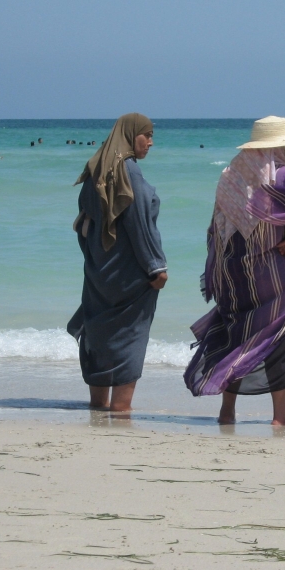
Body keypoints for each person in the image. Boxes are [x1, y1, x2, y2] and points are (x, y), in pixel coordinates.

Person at [184, 116, 285, 426]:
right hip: (277, 276)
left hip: (235, 275)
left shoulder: (231, 177)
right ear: (283, 146)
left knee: (236, 336)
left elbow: (216, 227)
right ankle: (281, 415)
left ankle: (227, 411)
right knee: (279, 338)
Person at [67, 113, 167, 413]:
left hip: (99, 272)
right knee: (130, 339)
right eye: (145, 135)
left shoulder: (95, 168)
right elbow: (140, 226)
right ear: (130, 135)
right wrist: (156, 267)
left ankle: (99, 406)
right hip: (130, 276)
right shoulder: (130, 173)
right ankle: (121, 409)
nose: (150, 142)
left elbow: (83, 225)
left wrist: (95, 262)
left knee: (99, 336)